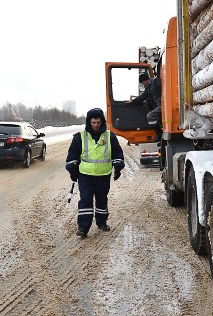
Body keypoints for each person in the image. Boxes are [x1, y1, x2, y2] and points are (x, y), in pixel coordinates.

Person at [65, 108, 124, 237]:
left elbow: (117, 153)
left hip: (103, 175)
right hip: (85, 175)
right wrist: (72, 170)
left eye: (98, 122)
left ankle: (102, 222)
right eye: (93, 122)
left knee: (101, 199)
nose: (96, 125)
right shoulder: (80, 137)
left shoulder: (110, 136)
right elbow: (72, 156)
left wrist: (118, 167)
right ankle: (83, 227)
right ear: (89, 122)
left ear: (102, 121)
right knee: (85, 200)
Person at [128, 73, 162, 142]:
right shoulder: (148, 87)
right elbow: (143, 96)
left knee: (150, 116)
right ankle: (159, 133)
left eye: (143, 83)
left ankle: (159, 133)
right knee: (156, 118)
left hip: (162, 105)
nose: (144, 85)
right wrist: (133, 101)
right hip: (158, 106)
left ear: (147, 80)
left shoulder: (156, 82)